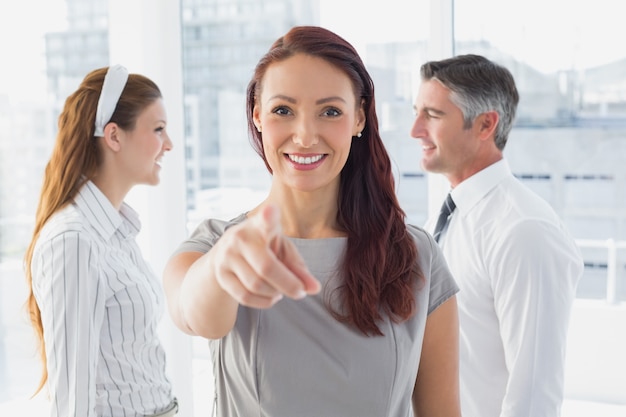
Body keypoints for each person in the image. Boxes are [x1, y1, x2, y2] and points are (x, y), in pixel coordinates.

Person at [163, 26, 461, 417]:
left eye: (330, 111)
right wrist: (221, 266)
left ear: (359, 118)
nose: (304, 136)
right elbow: (193, 313)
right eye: (283, 110)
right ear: (257, 115)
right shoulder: (214, 245)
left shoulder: (415, 255)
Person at [410, 54, 584, 417]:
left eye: (434, 115)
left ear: (486, 124)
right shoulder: (442, 221)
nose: (415, 130)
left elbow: (534, 393)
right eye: (417, 112)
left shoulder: (525, 231)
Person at [24, 65, 178, 417]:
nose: (168, 144)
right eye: (158, 130)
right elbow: (71, 394)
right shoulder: (74, 240)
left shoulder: (117, 233)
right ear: (114, 136)